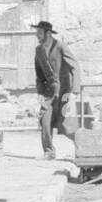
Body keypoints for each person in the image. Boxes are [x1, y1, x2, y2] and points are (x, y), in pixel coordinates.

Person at [34, 20, 80, 160]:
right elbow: (39, 72)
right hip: (49, 92)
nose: (37, 35)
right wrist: (40, 92)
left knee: (68, 124)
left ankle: (81, 148)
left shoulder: (60, 46)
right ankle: (49, 152)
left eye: (39, 32)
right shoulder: (38, 50)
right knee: (45, 120)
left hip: (65, 91)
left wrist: (75, 91)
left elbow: (74, 66)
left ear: (48, 33)